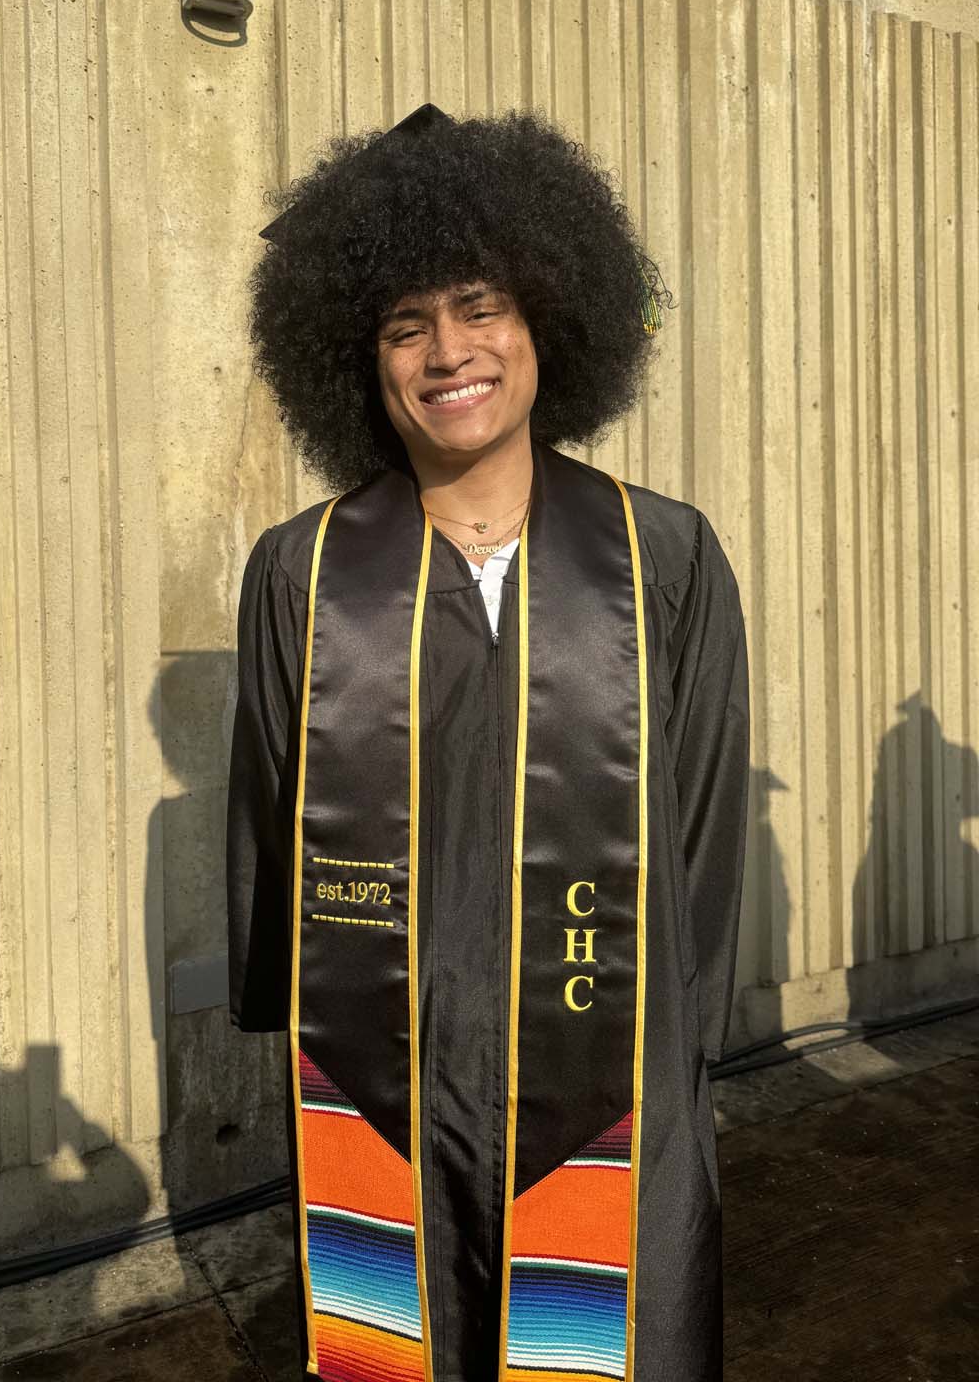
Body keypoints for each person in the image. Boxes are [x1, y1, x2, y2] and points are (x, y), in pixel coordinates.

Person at [226, 103, 750, 1382]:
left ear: (545, 320)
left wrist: (676, 1058)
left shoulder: (663, 558)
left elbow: (702, 835)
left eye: (477, 307)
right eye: (407, 326)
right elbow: (268, 821)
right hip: (384, 1088)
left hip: (605, 1077)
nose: (448, 352)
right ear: (360, 360)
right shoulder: (304, 571)